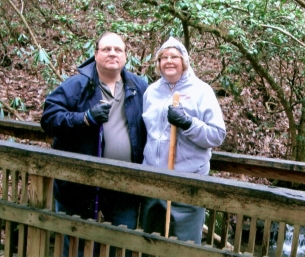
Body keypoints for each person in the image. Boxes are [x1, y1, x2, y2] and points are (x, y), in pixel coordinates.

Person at [40, 32, 148, 257]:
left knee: (121, 247)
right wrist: (85, 118)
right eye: (106, 49)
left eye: (118, 50)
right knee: (79, 248)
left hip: (125, 185)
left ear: (126, 57)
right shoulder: (78, 85)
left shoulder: (138, 87)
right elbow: (49, 118)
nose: (112, 53)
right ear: (96, 54)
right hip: (81, 185)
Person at [140, 36, 226, 244]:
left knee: (184, 248)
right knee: (150, 244)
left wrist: (188, 123)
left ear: (184, 61)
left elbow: (217, 135)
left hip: (188, 185)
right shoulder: (151, 92)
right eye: (164, 57)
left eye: (174, 57)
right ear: (158, 63)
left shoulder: (201, 91)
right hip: (154, 181)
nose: (169, 61)